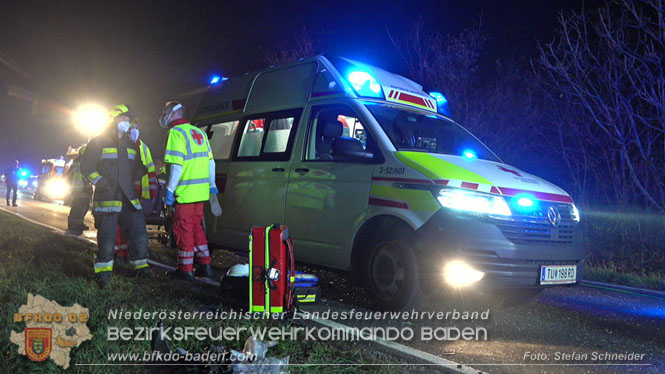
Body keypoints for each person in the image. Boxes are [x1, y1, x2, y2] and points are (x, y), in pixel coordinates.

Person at [80, 104, 154, 288]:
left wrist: (147, 169)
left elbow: (135, 169)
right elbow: (86, 167)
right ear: (114, 120)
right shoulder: (98, 142)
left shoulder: (130, 144)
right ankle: (103, 273)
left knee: (139, 233)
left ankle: (141, 268)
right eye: (125, 119)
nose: (128, 123)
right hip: (107, 198)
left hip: (128, 198)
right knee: (107, 236)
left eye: (130, 120)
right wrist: (101, 183)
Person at [160, 101, 217, 280]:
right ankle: (205, 266)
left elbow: (176, 165)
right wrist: (212, 185)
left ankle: (185, 271)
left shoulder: (175, 133)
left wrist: (169, 189)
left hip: (184, 192)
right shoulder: (199, 131)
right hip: (201, 193)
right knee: (196, 229)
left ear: (172, 113)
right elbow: (211, 162)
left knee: (182, 229)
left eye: (165, 112)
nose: (163, 115)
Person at [113, 120, 158, 263]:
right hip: (122, 191)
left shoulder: (144, 147)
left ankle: (128, 254)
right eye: (132, 127)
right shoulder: (119, 144)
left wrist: (152, 193)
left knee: (134, 226)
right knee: (119, 224)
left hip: (138, 194)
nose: (134, 130)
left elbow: (150, 171)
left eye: (137, 128)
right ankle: (119, 253)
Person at [66, 145, 93, 235]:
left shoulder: (74, 163)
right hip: (83, 190)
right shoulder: (86, 163)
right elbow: (88, 176)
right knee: (81, 208)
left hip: (76, 190)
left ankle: (75, 224)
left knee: (77, 207)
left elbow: (68, 177)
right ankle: (75, 225)